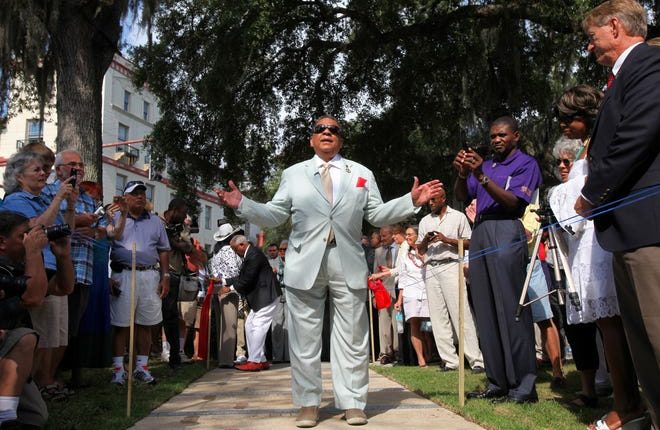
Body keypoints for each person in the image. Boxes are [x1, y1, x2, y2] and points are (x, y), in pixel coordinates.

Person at [215, 114, 441, 427]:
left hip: (347, 262)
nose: (326, 132)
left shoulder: (360, 173)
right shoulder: (294, 174)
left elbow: (376, 214)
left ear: (341, 140)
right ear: (311, 139)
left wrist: (409, 201)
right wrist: (243, 204)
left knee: (352, 337)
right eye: (320, 129)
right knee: (305, 340)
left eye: (333, 129)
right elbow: (275, 214)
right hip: (303, 264)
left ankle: (352, 403)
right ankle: (308, 403)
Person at [573, 4, 660, 427]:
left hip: (648, 225)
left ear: (614, 27)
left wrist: (591, 193)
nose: (589, 47)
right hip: (625, 229)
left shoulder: (650, 63)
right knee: (643, 344)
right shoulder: (622, 76)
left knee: (657, 333)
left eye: (591, 37)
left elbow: (636, 134)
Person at [453, 116, 541, 404]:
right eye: (492, 136)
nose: (496, 140)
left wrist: (481, 177)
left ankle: (523, 386)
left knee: (509, 306)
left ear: (515, 135)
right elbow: (462, 197)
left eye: (502, 135)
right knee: (486, 307)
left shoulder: (525, 164)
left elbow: (514, 203)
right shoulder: (485, 164)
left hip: (506, 228)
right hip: (480, 230)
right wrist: (461, 174)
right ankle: (497, 382)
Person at [1, 151, 76, 400]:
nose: (44, 173)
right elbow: (35, 228)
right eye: (37, 170)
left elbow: (66, 230)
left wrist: (70, 203)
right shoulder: (15, 200)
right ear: (19, 176)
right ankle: (31, 386)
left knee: (56, 333)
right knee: (38, 334)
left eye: (45, 169)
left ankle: (44, 381)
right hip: (34, 268)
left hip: (53, 267)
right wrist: (57, 200)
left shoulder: (43, 199)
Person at [42, 149, 102, 387]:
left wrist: (94, 229)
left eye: (80, 165)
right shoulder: (48, 192)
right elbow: (48, 221)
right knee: (52, 327)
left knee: (71, 327)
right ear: (59, 170)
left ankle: (65, 375)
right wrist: (79, 222)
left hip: (83, 269)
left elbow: (103, 229)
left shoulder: (89, 198)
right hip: (56, 268)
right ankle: (47, 378)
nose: (78, 168)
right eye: (72, 165)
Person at [109, 180, 170, 385]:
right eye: (135, 193)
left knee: (146, 324)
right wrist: (109, 276)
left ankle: (141, 368)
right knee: (121, 324)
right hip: (122, 274)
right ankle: (118, 370)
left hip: (149, 275)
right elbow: (105, 245)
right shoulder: (115, 217)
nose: (140, 197)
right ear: (125, 197)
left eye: (143, 193)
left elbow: (163, 250)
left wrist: (165, 277)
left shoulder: (155, 221)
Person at [416, 189, 484, 373]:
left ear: (443, 198)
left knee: (461, 312)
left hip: (451, 264)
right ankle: (449, 360)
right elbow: (419, 250)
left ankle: (476, 360)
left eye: (434, 200)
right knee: (438, 317)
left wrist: (447, 240)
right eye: (429, 201)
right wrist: (426, 242)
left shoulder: (458, 217)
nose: (430, 203)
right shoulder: (425, 221)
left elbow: (470, 242)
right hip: (431, 267)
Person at [0, 211, 51, 428]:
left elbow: (62, 287)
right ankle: (5, 418)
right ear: (2, 242)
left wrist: (63, 255)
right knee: (24, 338)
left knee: (34, 416)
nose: (28, 239)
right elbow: (33, 297)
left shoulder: (16, 266)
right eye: (23, 235)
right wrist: (34, 252)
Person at [218, 235, 281, 371]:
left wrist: (229, 288)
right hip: (262, 295)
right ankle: (261, 359)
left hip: (267, 294)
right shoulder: (251, 254)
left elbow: (247, 279)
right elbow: (242, 276)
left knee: (258, 325)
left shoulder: (253, 255)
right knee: (249, 324)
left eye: (235, 249)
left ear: (241, 245)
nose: (235, 252)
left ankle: (255, 360)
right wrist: (224, 281)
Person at [370, 227, 430, 367]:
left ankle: (431, 352)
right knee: (411, 323)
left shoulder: (410, 248)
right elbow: (402, 273)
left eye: (410, 235)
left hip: (424, 290)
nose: (383, 238)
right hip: (401, 292)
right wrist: (399, 297)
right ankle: (416, 358)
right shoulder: (400, 251)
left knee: (427, 325)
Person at [160, 198, 194, 369]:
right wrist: (172, 241)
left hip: (174, 274)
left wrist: (175, 241)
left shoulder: (181, 228)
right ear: (174, 210)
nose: (184, 216)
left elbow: (188, 247)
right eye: (183, 212)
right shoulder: (158, 222)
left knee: (171, 316)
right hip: (156, 271)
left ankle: (175, 356)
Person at [208, 222, 243, 367]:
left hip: (216, 289)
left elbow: (211, 269)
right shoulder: (230, 251)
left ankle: (221, 356)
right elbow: (235, 271)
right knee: (230, 325)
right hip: (229, 289)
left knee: (220, 324)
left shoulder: (215, 252)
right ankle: (227, 359)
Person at [373, 225, 399, 365]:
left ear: (391, 234)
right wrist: (373, 296)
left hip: (397, 289)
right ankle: (385, 352)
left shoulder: (400, 249)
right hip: (382, 291)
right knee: (384, 323)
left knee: (396, 322)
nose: (382, 239)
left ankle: (398, 350)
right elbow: (374, 276)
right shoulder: (378, 252)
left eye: (384, 236)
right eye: (380, 236)